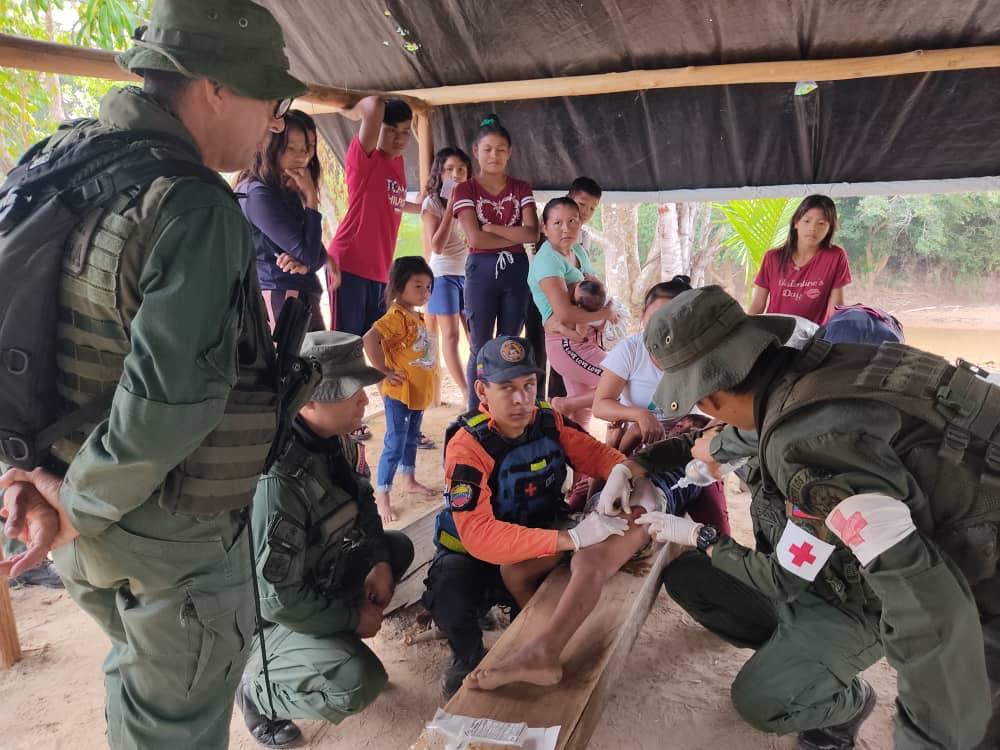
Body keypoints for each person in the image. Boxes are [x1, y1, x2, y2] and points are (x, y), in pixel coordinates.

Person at [0, 1, 305, 747]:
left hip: (71, 510)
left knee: (142, 688)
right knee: (173, 722)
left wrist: (31, 480)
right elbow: (171, 403)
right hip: (159, 527)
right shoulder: (193, 205)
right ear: (215, 89)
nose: (274, 122)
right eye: (270, 100)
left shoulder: (63, 156)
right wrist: (79, 502)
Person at [634, 285, 995, 750]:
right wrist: (637, 464)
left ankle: (844, 698)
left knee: (760, 701)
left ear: (711, 398)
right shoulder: (819, 373)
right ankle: (797, 655)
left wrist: (928, 739)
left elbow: (926, 606)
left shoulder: (807, 445)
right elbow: (712, 443)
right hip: (833, 567)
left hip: (862, 599)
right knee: (691, 578)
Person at [422, 335, 657, 696]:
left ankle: (528, 642)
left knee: (547, 594)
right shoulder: (468, 444)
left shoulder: (548, 422)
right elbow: (479, 534)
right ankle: (467, 654)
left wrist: (626, 476)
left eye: (528, 385)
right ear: (483, 391)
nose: (520, 399)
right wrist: (571, 538)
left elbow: (601, 458)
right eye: (507, 388)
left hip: (535, 539)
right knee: (449, 596)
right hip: (474, 552)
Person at [237, 331, 414, 748]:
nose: (364, 401)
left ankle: (329, 644)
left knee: (396, 548)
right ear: (309, 399)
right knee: (358, 681)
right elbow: (276, 599)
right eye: (351, 391)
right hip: (260, 620)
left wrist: (379, 563)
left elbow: (365, 504)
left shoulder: (337, 441)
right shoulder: (276, 479)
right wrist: (353, 619)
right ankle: (256, 688)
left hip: (314, 573)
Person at [592, 276, 731, 534]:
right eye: (655, 317)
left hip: (685, 446)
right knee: (586, 502)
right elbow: (600, 405)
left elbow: (725, 414)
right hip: (633, 442)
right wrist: (638, 415)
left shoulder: (701, 356)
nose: (662, 326)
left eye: (672, 317)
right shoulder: (631, 350)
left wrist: (706, 442)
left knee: (717, 525)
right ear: (643, 315)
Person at [453, 114, 538, 410]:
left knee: (509, 342)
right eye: (488, 149)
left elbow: (533, 232)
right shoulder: (465, 190)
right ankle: (476, 408)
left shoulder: (521, 187)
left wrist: (494, 230)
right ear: (476, 151)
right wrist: (512, 237)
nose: (494, 155)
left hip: (516, 271)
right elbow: (475, 240)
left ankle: (504, 405)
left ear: (510, 153)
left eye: (501, 149)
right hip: (481, 272)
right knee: (479, 345)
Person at [327, 95, 421, 337]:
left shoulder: (398, 163)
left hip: (380, 270)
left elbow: (392, 201)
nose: (399, 138)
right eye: (390, 130)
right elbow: (375, 104)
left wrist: (422, 207)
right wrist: (352, 111)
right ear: (375, 127)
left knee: (376, 345)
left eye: (405, 131)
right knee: (346, 345)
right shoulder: (365, 159)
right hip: (350, 263)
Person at [527, 197, 616, 430]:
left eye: (572, 221)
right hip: (567, 342)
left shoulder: (576, 250)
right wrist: (604, 314)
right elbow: (565, 314)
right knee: (620, 381)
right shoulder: (547, 261)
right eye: (557, 223)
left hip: (582, 339)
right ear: (545, 228)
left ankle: (581, 466)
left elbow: (592, 281)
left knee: (581, 418)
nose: (566, 228)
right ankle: (565, 403)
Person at [237, 109, 327, 331]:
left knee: (319, 362)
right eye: (291, 148)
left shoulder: (286, 188)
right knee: (295, 364)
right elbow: (309, 253)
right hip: (279, 295)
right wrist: (312, 201)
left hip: (299, 292)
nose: (301, 156)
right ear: (271, 147)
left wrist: (307, 266)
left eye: (307, 149)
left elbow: (319, 254)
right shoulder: (256, 193)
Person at [363, 257, 437, 522]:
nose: (425, 293)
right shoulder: (396, 316)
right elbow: (370, 338)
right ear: (397, 286)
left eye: (428, 287)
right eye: (418, 286)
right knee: (395, 441)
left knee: (411, 436)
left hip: (415, 392)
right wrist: (382, 370)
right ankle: (382, 494)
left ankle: (409, 479)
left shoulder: (413, 315)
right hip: (399, 392)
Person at [748, 194, 852, 324]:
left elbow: (836, 308)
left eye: (821, 223)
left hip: (813, 337)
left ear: (829, 228)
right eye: (807, 221)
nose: (813, 228)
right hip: (775, 333)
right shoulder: (772, 257)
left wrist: (832, 337)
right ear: (796, 222)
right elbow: (758, 305)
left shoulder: (836, 256)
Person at [421, 147, 473, 405]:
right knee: (451, 336)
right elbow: (437, 246)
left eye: (461, 170)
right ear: (440, 173)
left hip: (469, 274)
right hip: (442, 275)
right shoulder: (432, 203)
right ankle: (466, 393)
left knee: (475, 334)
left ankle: (479, 386)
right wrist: (451, 207)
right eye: (450, 169)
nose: (456, 174)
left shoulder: (473, 200)